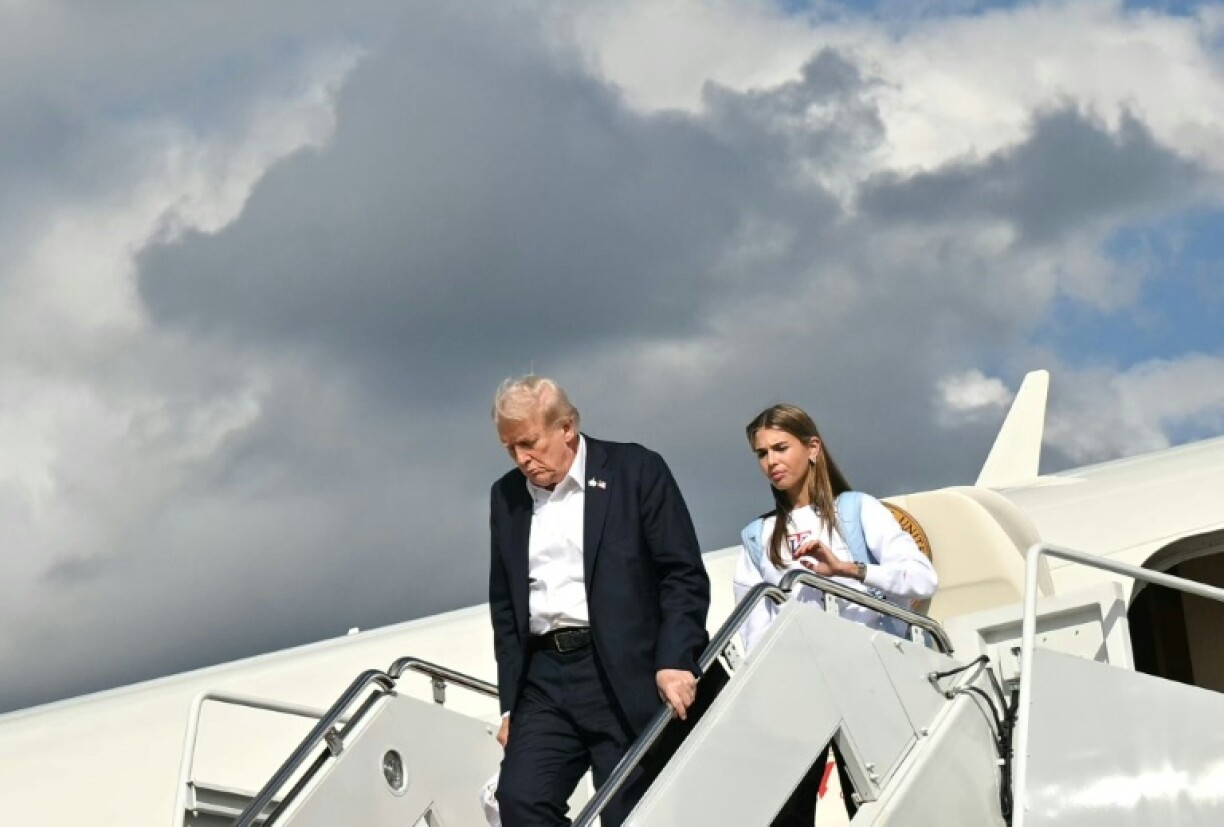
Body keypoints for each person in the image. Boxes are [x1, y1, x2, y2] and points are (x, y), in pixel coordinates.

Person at [488, 375, 711, 826]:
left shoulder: (635, 470)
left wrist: (675, 659)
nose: (522, 460)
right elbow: (506, 607)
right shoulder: (506, 496)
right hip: (545, 678)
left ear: (566, 427)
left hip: (621, 670)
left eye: (529, 444)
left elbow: (682, 574)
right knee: (519, 800)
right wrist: (511, 702)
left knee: (626, 814)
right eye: (510, 449)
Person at [732, 403, 938, 825]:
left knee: (880, 804)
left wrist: (848, 569)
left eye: (780, 448)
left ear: (812, 448)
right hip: (801, 688)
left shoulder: (858, 511)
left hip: (870, 676)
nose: (771, 461)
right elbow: (755, 630)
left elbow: (922, 579)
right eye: (761, 453)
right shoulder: (758, 536)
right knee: (788, 811)